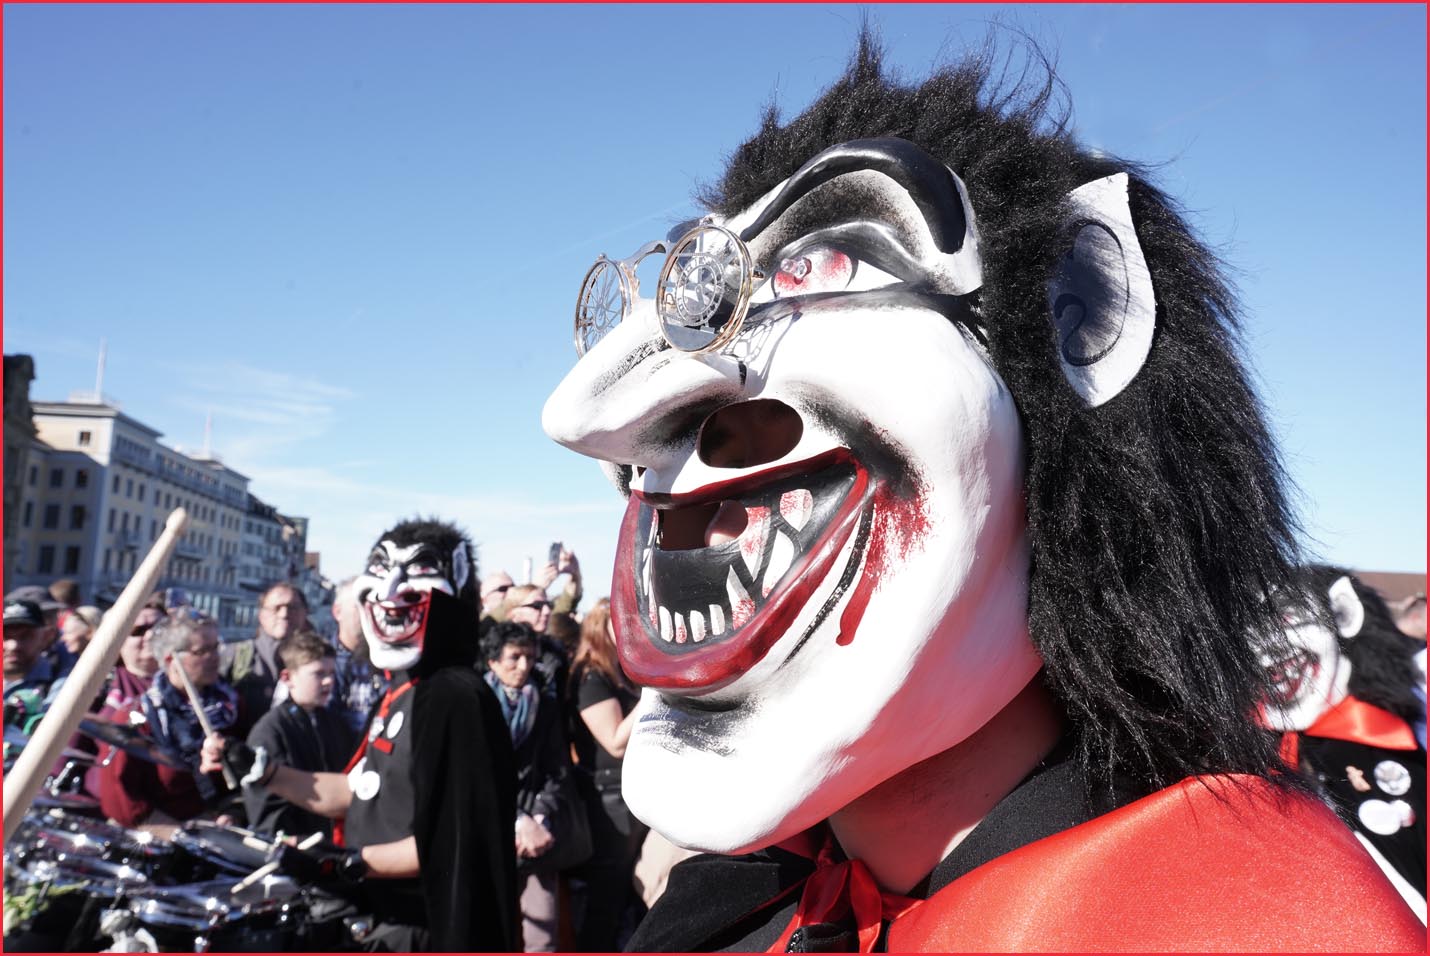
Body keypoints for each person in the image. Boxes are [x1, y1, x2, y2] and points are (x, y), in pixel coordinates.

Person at [540, 32, 1424, 950]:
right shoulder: (729, 915)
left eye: (818, 268)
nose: (595, 420)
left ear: (1087, 320)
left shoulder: (1257, 920)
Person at [204, 518, 519, 952]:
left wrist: (342, 864)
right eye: (380, 568)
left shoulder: (453, 697)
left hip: (424, 929)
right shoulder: (404, 689)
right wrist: (262, 770)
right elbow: (360, 792)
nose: (390, 589)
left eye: (418, 570)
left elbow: (452, 845)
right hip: (378, 917)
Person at [1257, 566, 1427, 919]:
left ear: (1344, 613)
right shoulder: (1279, 758)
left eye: (1286, 617)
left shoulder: (1395, 728)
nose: (1262, 645)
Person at [99, 612, 246, 831]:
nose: (214, 657)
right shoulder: (139, 717)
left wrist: (234, 812)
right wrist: (177, 835)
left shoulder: (230, 708)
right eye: (202, 651)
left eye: (216, 647)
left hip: (215, 826)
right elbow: (121, 799)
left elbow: (244, 778)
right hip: (156, 832)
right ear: (171, 660)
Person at [483, 620, 579, 953]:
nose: (523, 666)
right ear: (493, 661)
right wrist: (516, 821)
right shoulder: (476, 705)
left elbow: (557, 768)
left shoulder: (544, 704)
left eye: (529, 657)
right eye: (514, 657)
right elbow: (475, 776)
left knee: (543, 933)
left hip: (537, 835)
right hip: (491, 829)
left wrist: (538, 818)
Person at [565, 599, 648, 951]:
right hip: (609, 799)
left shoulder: (619, 671)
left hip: (629, 791)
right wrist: (652, 695)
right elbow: (614, 741)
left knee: (628, 890)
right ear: (602, 629)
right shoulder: (591, 677)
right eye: (622, 620)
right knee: (607, 896)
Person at [242, 631, 356, 840]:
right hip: (298, 845)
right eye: (318, 673)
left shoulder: (336, 725)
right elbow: (266, 804)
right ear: (287, 677)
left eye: (331, 673)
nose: (328, 681)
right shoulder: (271, 731)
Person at [223, 581, 310, 717]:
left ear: (305, 613)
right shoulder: (235, 656)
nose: (284, 614)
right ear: (261, 615)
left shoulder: (315, 660)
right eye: (276, 608)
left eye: (292, 608)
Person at [329, 575, 384, 736]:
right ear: (338, 612)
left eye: (374, 606)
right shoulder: (319, 659)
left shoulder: (390, 661)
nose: (369, 613)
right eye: (360, 606)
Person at [3, 599, 64, 740]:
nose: (13, 646)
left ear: (46, 637)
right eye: (5, 636)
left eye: (25, 636)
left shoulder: (62, 686)